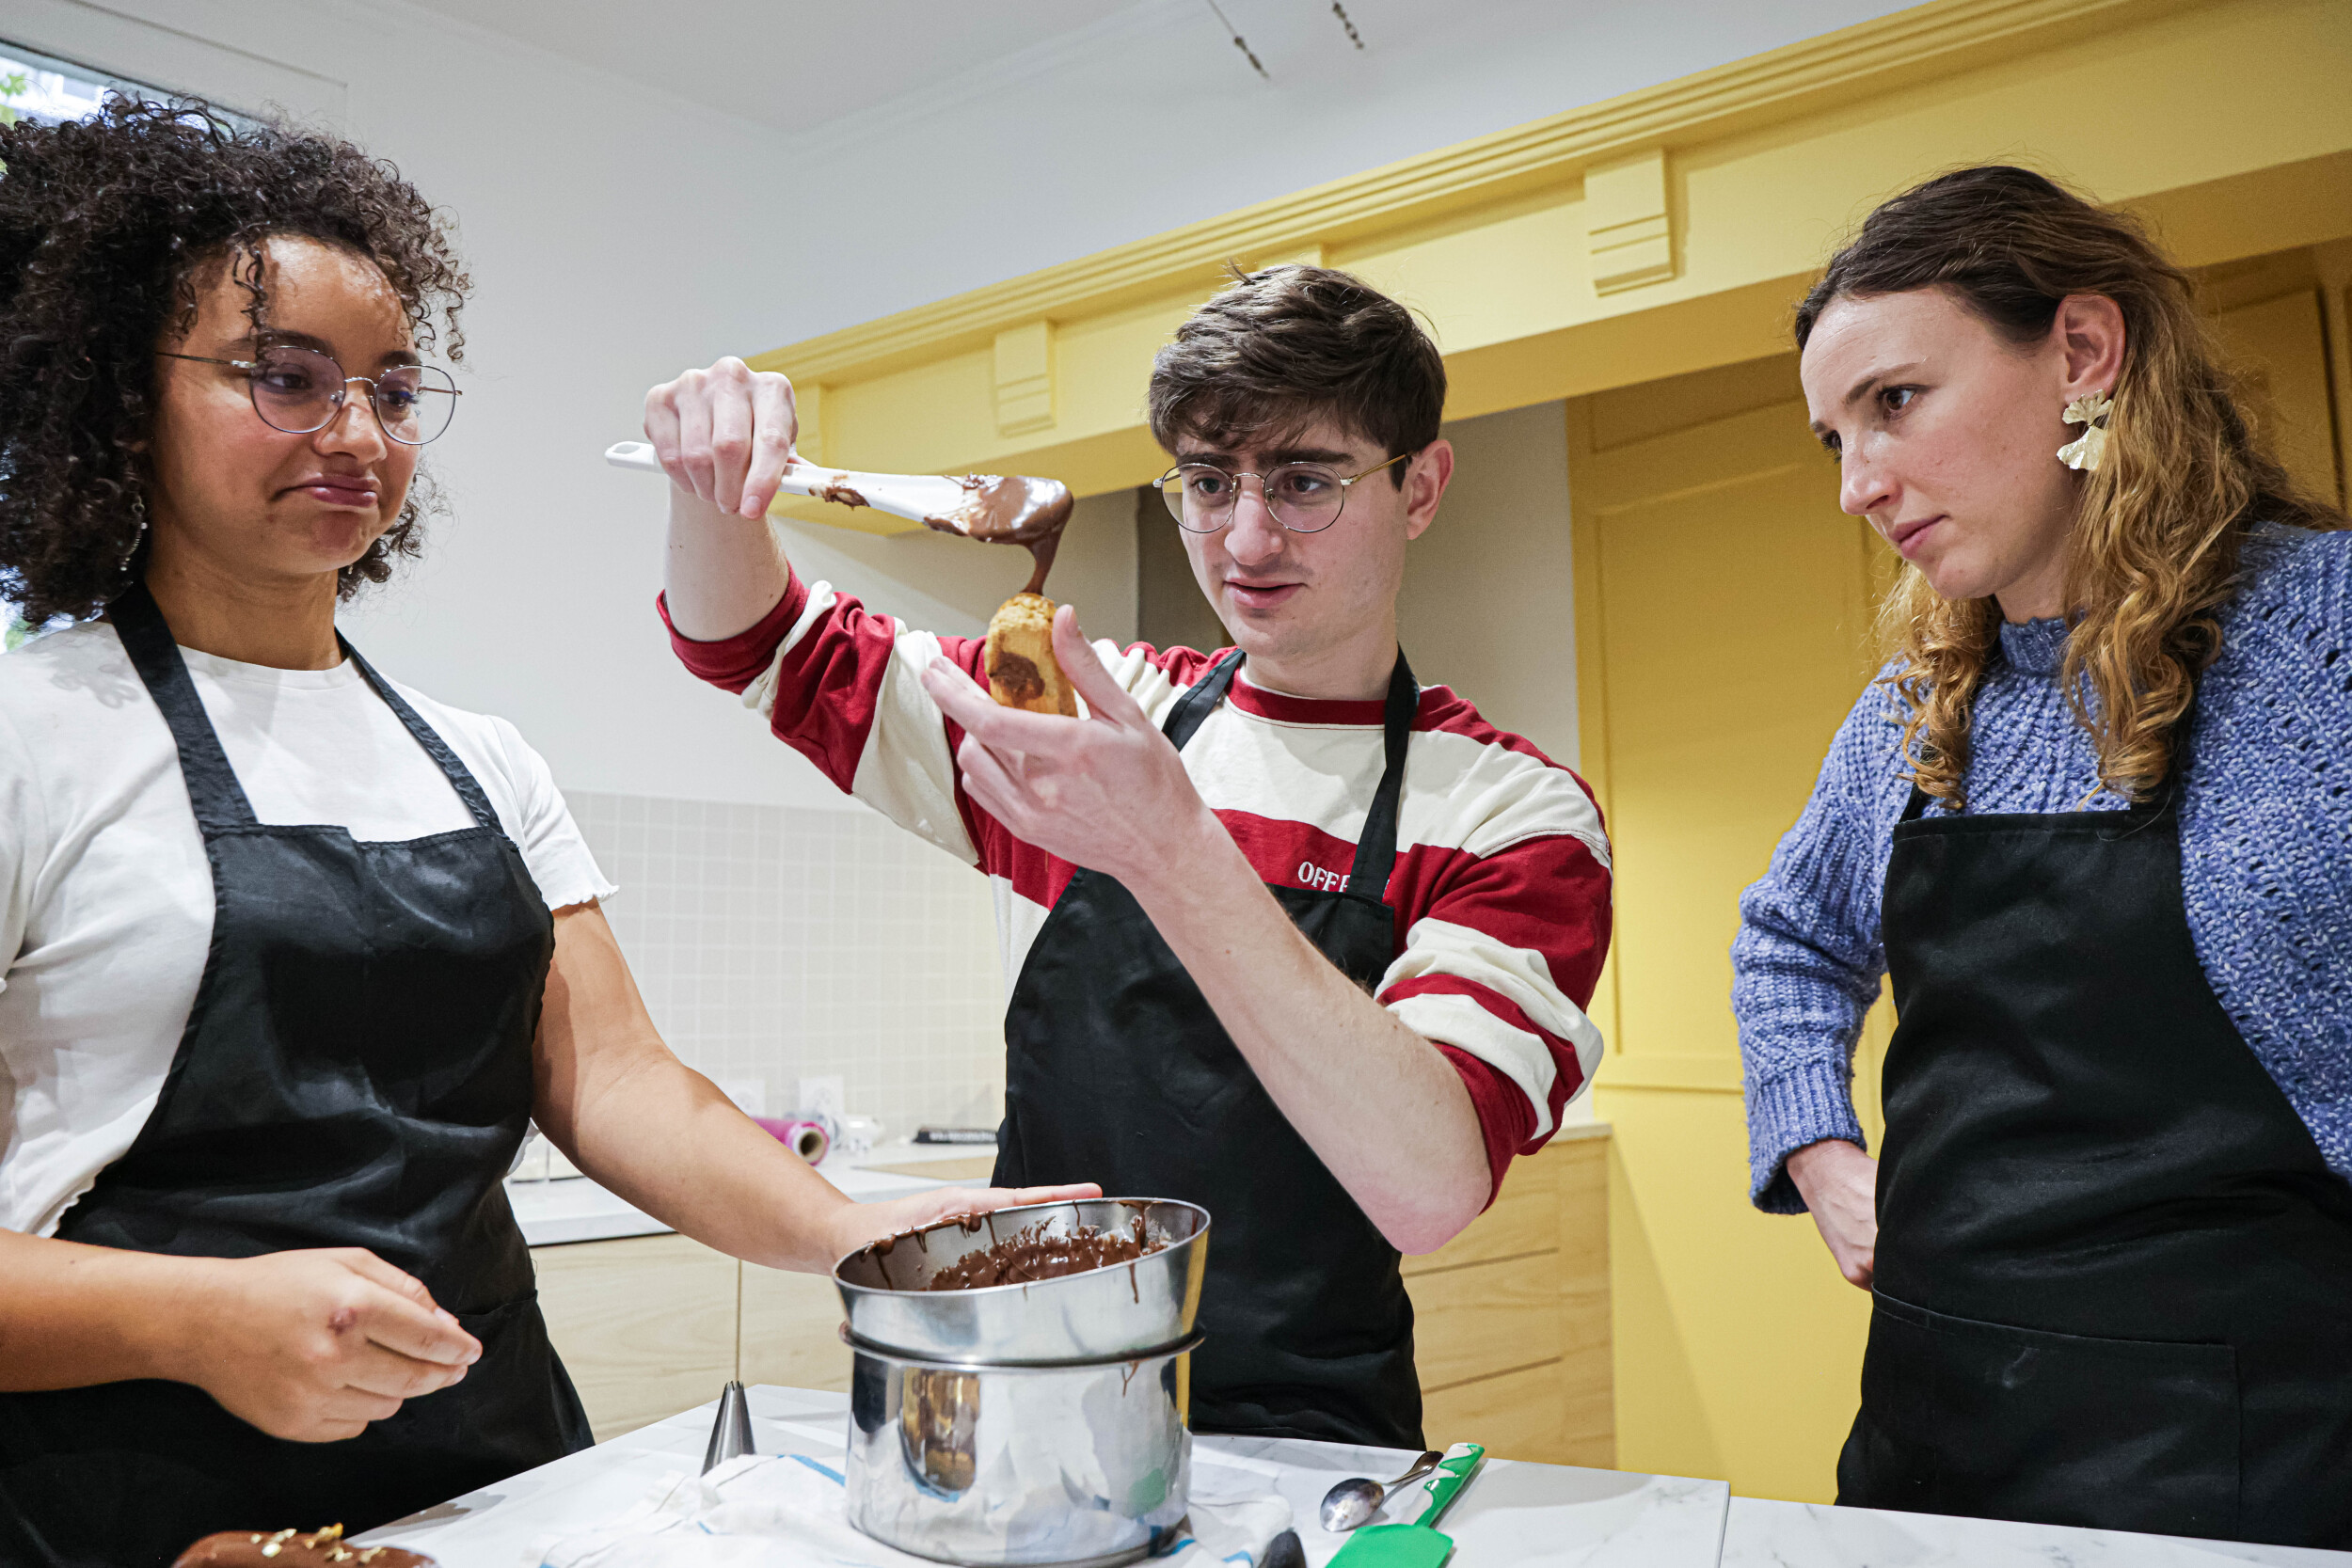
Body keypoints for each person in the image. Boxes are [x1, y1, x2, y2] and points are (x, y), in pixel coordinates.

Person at [0, 100, 1088, 1563]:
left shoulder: (477, 756)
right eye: (286, 377)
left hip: (488, 1474)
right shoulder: (32, 731)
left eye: (392, 389)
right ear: (122, 400)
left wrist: (862, 1236)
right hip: (136, 1491)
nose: (358, 434)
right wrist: (195, 1314)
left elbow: (619, 1079)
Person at [649, 264, 1613, 1448]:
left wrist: (1169, 849)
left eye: (1305, 480)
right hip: (1008, 1398)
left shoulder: (1508, 814)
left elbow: (1428, 1186)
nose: (1246, 539)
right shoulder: (1092, 710)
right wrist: (713, 490)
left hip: (1301, 1443)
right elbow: (758, 644)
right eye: (1208, 483)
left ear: (1421, 486)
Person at [1734, 165, 2352, 1546]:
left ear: (2083, 349)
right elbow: (1788, 937)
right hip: (1930, 1429)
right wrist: (1820, 1148)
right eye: (1834, 436)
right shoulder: (1911, 709)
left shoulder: (2326, 639)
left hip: (2245, 1454)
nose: (1858, 484)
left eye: (1895, 403)